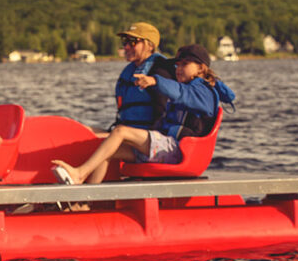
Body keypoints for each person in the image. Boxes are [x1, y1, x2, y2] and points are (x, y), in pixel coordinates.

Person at [51, 44, 235, 185]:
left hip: (179, 150)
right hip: (167, 146)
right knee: (108, 148)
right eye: (177, 65)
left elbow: (180, 93)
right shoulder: (190, 87)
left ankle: (79, 174)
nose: (178, 68)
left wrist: (155, 80)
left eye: (185, 64)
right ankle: (85, 203)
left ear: (201, 69)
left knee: (120, 132)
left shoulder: (204, 92)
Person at [109, 22, 169, 134]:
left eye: (133, 42)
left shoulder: (161, 71)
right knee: (86, 132)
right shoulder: (129, 72)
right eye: (125, 41)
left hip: (147, 138)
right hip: (125, 133)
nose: (126, 47)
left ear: (150, 46)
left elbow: (163, 115)